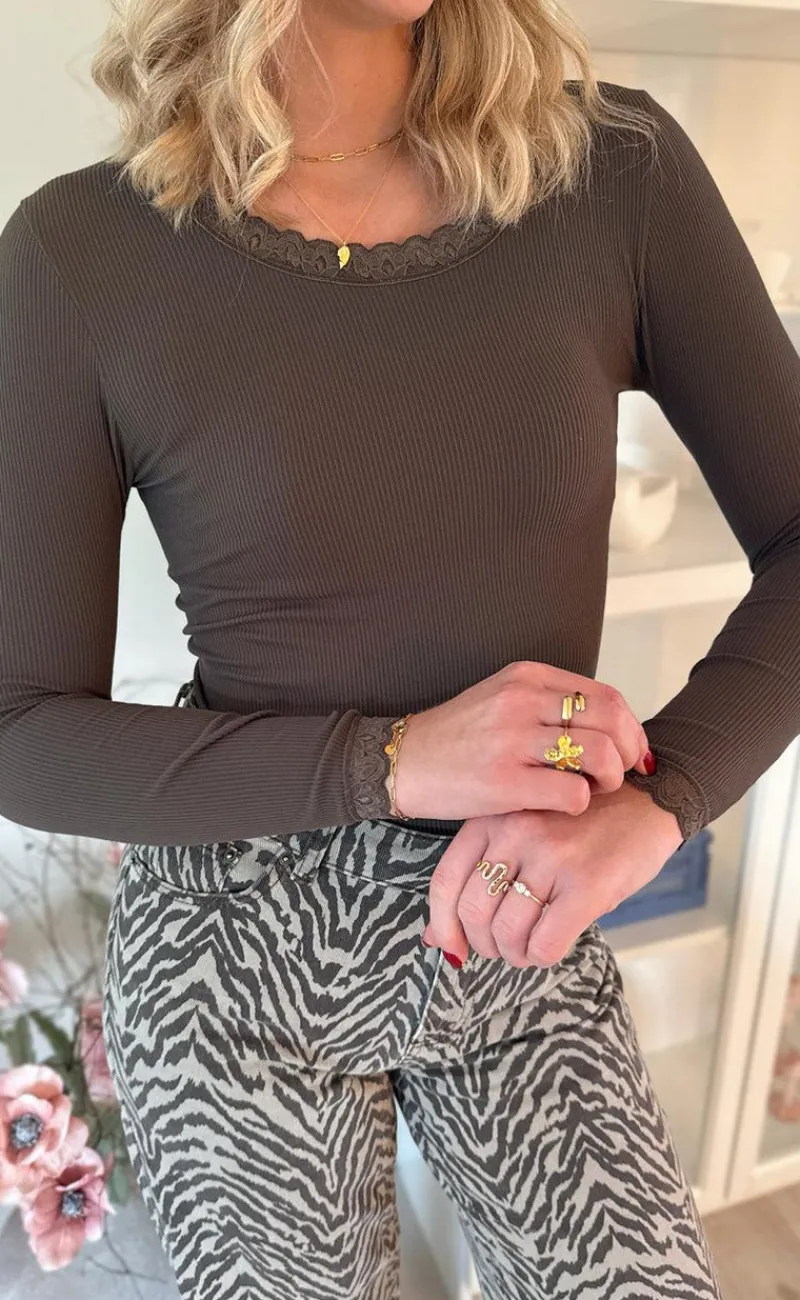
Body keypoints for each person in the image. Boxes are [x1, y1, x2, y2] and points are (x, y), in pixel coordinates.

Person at [2, 0, 800, 1294]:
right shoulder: (83, 251)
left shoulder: (610, 175)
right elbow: (19, 729)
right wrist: (393, 759)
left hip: (515, 910)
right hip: (232, 957)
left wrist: (662, 804)